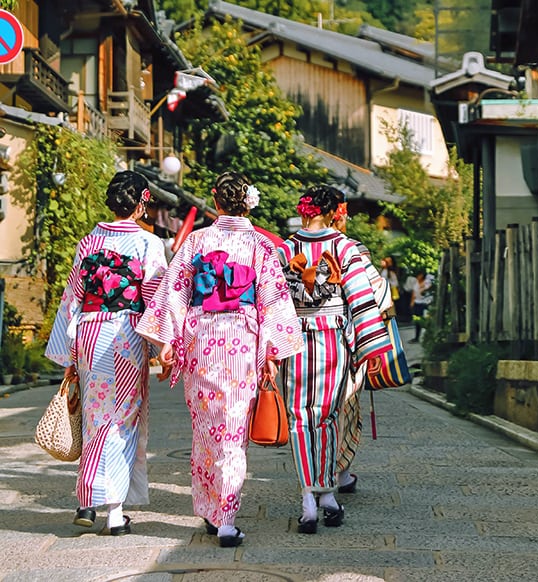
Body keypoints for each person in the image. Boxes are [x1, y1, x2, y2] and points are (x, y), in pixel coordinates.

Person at [136, 172, 303, 547]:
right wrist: (273, 352)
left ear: (216, 198)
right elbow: (273, 301)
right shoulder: (260, 245)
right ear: (248, 201)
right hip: (242, 340)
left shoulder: (197, 239)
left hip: (200, 339)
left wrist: (167, 341)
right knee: (232, 432)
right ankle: (225, 518)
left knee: (206, 429)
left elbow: (175, 292)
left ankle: (212, 510)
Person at [45, 170, 168, 536]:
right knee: (122, 419)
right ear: (142, 202)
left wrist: (68, 354)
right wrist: (164, 347)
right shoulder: (148, 245)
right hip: (126, 335)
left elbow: (73, 297)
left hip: (89, 331)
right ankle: (114, 512)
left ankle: (87, 499)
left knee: (95, 415)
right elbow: (154, 299)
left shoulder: (89, 242)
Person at [277, 185, 391, 534]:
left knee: (300, 419)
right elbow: (361, 297)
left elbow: (273, 300)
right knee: (327, 417)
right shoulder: (344, 247)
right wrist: (371, 347)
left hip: (294, 337)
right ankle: (324, 495)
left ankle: (311, 500)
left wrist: (268, 348)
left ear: (304, 210)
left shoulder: (285, 249)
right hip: (333, 337)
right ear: (332, 212)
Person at [330, 200, 393, 496]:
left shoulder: (297, 247)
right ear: (340, 218)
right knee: (345, 406)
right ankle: (339, 473)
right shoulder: (352, 249)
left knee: (314, 410)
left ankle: (315, 470)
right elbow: (377, 290)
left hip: (309, 338)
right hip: (348, 337)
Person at [409, 270, 433, 343]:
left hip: (425, 303)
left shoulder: (427, 282)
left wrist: (422, 287)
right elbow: (414, 292)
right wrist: (412, 301)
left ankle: (428, 337)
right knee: (417, 321)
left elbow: (425, 290)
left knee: (427, 320)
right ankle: (417, 337)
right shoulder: (416, 282)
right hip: (417, 302)